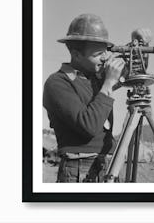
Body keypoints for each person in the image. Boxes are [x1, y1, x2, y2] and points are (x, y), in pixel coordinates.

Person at [43, 13, 125, 182]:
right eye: (98, 54)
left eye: (105, 52)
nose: (104, 59)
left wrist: (139, 45)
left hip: (108, 164)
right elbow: (88, 125)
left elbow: (134, 76)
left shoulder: (96, 77)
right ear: (76, 54)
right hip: (79, 167)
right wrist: (108, 83)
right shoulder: (57, 83)